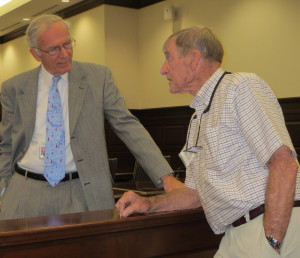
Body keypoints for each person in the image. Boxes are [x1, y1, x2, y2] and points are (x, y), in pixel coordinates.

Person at [116, 26, 300, 257]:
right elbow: (194, 195)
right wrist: (148, 204)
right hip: (238, 233)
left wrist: (271, 240)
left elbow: (284, 163)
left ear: (193, 58)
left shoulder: (239, 87)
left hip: (269, 228)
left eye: (168, 57)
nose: (163, 70)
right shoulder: (198, 118)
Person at [0, 14, 183, 220]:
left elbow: (128, 126)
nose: (65, 54)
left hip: (82, 191)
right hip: (25, 191)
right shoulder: (14, 87)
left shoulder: (98, 78)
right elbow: (6, 145)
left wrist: (165, 177)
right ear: (36, 53)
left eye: (67, 44)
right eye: (54, 49)